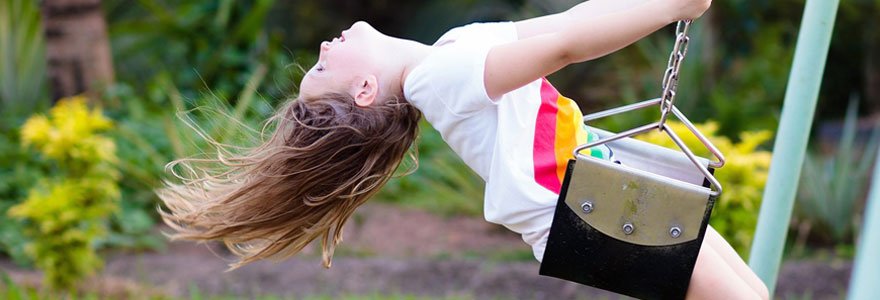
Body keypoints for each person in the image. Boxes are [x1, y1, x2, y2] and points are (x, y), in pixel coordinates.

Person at [158, 0, 769, 298]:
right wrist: (668, 7)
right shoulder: (437, 79)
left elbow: (567, 23)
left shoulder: (454, 47)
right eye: (323, 67)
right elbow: (562, 50)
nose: (323, 46)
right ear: (367, 90)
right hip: (588, 211)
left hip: (601, 196)